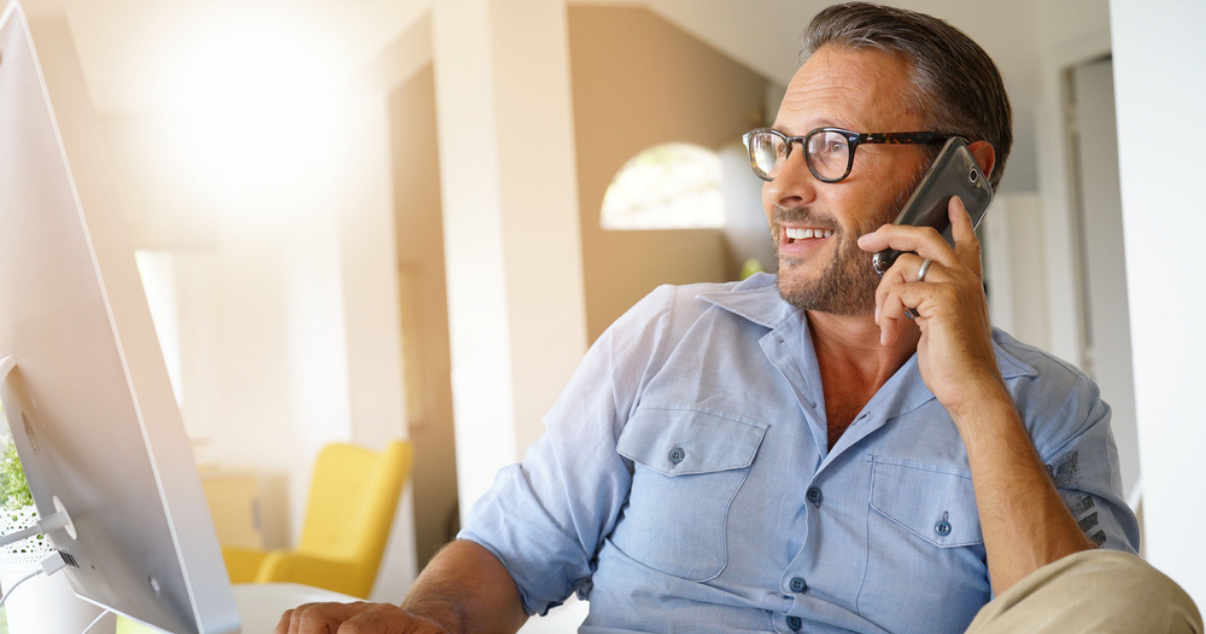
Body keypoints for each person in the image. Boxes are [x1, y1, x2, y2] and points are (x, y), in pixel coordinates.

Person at [276, 3, 1201, 633]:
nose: (784, 189)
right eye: (780, 147)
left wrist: (979, 405)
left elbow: (1086, 619)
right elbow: (512, 553)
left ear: (962, 173)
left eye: (831, 149)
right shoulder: (668, 336)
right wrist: (422, 620)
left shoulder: (1052, 412)